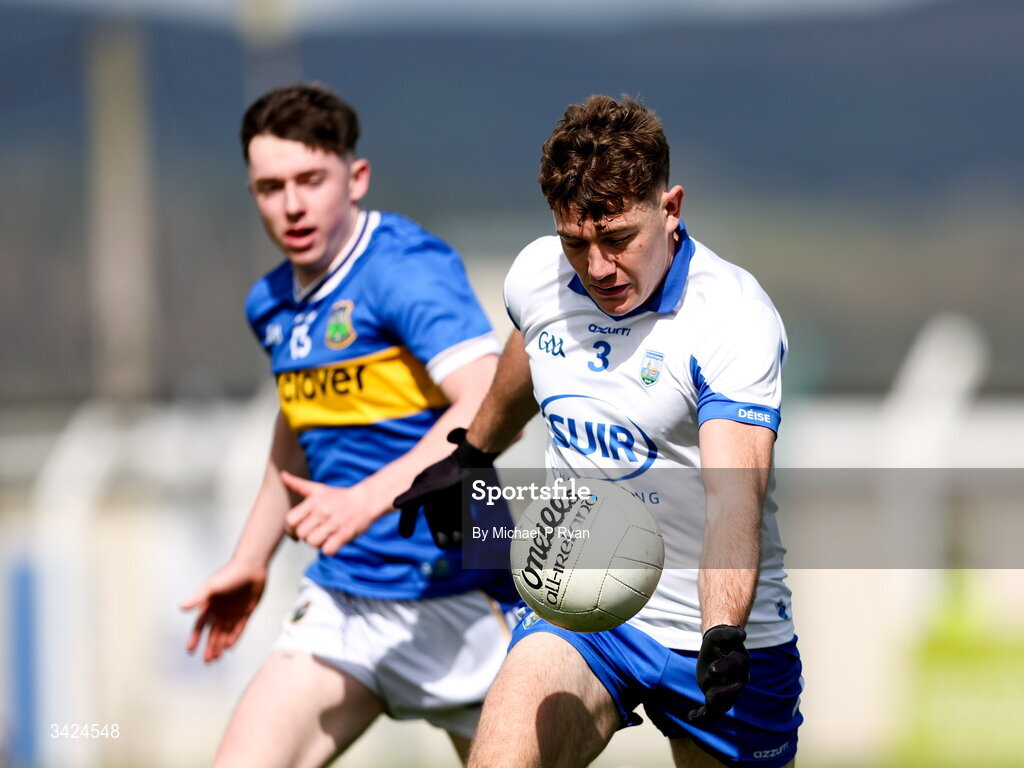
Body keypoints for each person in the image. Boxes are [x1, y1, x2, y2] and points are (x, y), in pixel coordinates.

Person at [395, 95, 803, 768]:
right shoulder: (539, 277)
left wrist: (724, 628)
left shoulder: (731, 317)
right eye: (575, 244)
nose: (598, 268)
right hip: (581, 606)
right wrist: (473, 451)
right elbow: (531, 351)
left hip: (719, 638)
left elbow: (736, 495)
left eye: (618, 240)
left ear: (670, 209)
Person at [181, 83, 516, 768]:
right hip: (346, 601)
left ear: (355, 177)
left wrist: (369, 498)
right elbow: (298, 426)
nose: (293, 204)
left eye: (311, 179)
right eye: (271, 187)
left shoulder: (405, 270)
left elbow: (485, 399)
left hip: (463, 596)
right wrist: (251, 559)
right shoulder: (271, 302)